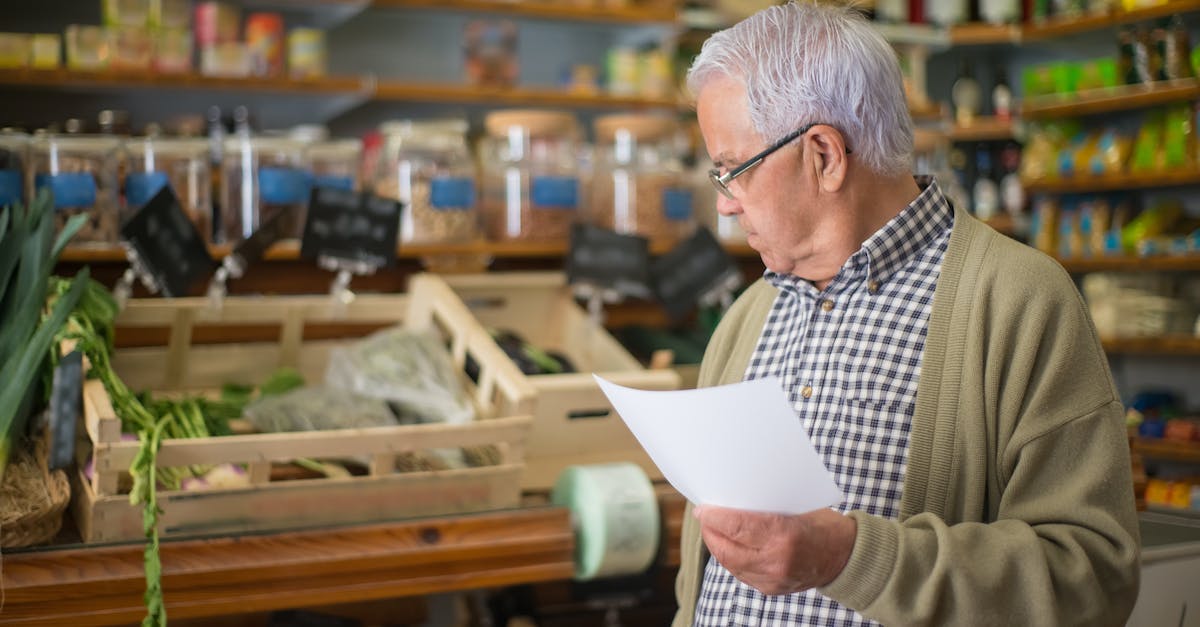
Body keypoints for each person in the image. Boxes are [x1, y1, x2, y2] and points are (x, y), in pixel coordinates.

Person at [674, 2, 1141, 626]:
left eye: (734, 170)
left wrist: (851, 558)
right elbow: (698, 587)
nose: (726, 204)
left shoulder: (1021, 302)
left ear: (823, 155)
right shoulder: (746, 317)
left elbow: (1091, 577)